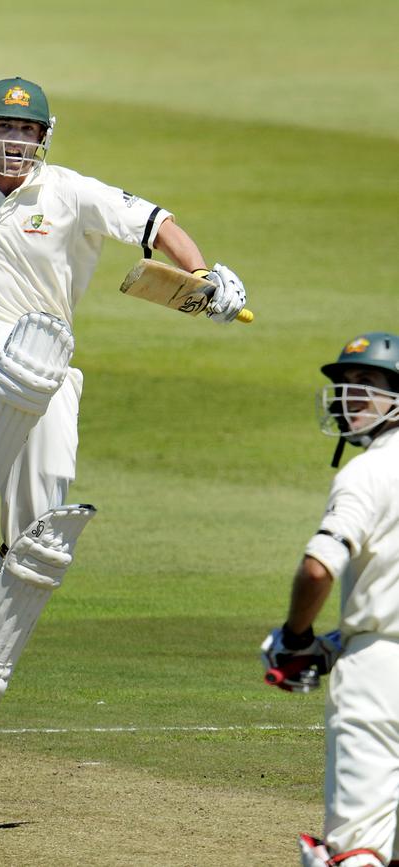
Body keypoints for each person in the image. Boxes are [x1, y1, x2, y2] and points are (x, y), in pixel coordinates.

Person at [0, 9, 249, 742]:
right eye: (3, 132)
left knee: (40, 544)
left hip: (47, 384)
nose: (14, 144)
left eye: (27, 134)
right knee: (22, 349)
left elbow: (155, 222)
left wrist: (204, 276)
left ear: (44, 140)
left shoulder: (70, 193)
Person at [261, 332, 399, 867]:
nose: (348, 396)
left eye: (366, 385)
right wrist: (337, 642)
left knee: (356, 851)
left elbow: (319, 568)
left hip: (379, 680)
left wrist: (297, 638)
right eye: (345, 385)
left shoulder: (366, 473)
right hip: (372, 649)